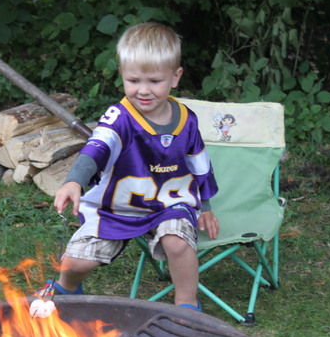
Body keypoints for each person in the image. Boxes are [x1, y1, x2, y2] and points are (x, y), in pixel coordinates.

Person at [52, 22, 219, 310]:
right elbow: (97, 146)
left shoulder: (187, 119)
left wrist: (205, 206)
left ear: (175, 77)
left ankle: (187, 306)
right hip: (117, 206)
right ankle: (66, 288)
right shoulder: (119, 117)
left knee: (177, 242)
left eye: (154, 81)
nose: (143, 90)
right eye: (133, 80)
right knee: (78, 261)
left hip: (170, 203)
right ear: (122, 75)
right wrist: (75, 180)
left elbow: (199, 164)